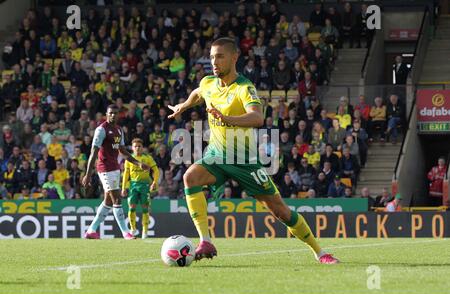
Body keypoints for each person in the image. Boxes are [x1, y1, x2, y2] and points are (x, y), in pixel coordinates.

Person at [167, 38, 338, 264]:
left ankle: (320, 252)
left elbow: (257, 118)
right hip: (217, 155)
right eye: (211, 57)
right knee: (190, 177)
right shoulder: (209, 82)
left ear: (234, 57)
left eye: (219, 56)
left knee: (281, 212)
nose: (214, 62)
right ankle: (205, 240)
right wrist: (184, 105)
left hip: (244, 161)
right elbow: (199, 93)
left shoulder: (244, 88)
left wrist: (225, 118)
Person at [82, 105, 151, 240]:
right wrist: (88, 174)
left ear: (119, 115)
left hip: (115, 168)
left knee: (108, 201)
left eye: (115, 113)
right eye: (110, 113)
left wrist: (138, 163)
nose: (113, 115)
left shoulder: (119, 130)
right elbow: (93, 153)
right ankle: (126, 232)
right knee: (117, 199)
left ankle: (91, 230)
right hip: (104, 168)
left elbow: (123, 152)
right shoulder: (101, 130)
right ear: (106, 115)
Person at [121, 138, 160, 239]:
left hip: (144, 186)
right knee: (131, 207)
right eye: (135, 146)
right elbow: (126, 173)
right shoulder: (129, 159)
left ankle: (145, 231)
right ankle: (133, 229)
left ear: (142, 148)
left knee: (145, 209)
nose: (137, 148)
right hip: (133, 185)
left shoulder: (148, 158)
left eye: (139, 146)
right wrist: (123, 187)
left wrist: (155, 182)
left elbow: (156, 170)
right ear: (132, 148)